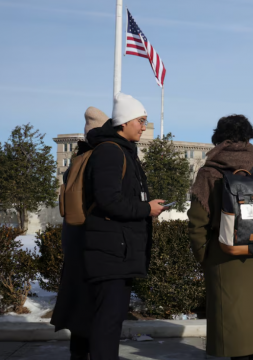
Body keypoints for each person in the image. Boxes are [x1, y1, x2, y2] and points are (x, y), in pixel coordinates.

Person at [188, 115, 253, 360]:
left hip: (224, 257)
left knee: (231, 328)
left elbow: (197, 222)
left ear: (218, 138)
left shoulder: (209, 172)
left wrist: (204, 256)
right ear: (248, 138)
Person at [83, 92, 167, 360]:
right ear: (124, 122)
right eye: (140, 121)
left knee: (111, 319)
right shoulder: (110, 151)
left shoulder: (122, 151)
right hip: (111, 252)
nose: (144, 127)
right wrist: (145, 208)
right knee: (107, 321)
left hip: (118, 249)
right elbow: (108, 200)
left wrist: (147, 207)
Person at [50, 107, 109, 360]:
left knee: (78, 302)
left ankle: (78, 353)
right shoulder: (98, 160)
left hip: (74, 240)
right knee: (93, 305)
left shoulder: (75, 161)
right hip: (92, 241)